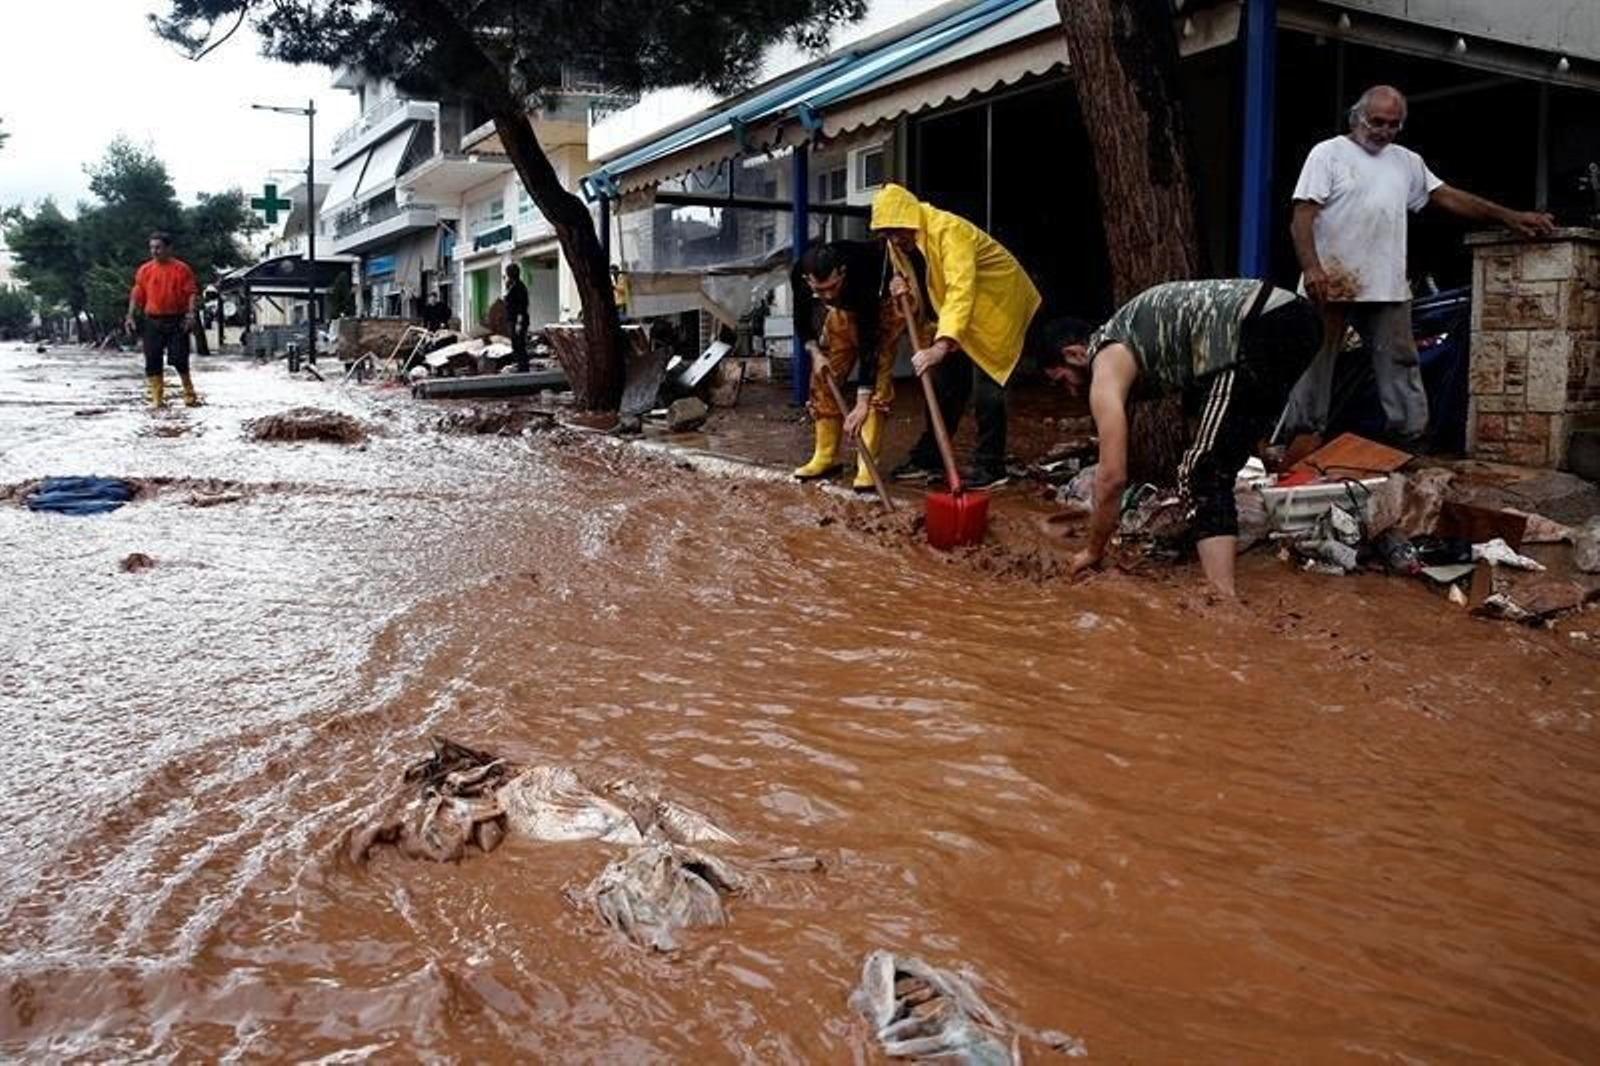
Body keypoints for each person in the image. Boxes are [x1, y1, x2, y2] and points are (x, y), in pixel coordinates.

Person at [1280, 84, 1556, 445]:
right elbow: (1302, 216)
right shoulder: (1328, 154)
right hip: (1331, 281)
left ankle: (1408, 442)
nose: (1384, 131)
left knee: (1400, 364)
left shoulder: (1406, 161)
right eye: (1377, 122)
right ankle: (1300, 440)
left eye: (1393, 124)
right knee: (1315, 365)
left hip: (1386, 285)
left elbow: (1449, 198)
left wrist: (1509, 216)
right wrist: (1312, 267)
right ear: (1357, 117)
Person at [1042, 279, 1324, 599]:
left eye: (1061, 381)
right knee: (1216, 460)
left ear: (1075, 353)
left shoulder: (1104, 358)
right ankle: (1221, 582)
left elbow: (1112, 477)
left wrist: (1093, 550)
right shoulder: (1145, 339)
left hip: (1261, 327)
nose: (1070, 392)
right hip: (1298, 321)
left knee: (1200, 470)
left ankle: (1223, 602)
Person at [869, 184, 1041, 489]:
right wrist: (902, 294)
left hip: (997, 305)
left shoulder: (950, 231)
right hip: (956, 314)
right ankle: (930, 458)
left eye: (897, 230)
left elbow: (961, 289)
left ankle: (992, 467)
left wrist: (941, 346)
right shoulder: (899, 245)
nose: (894, 238)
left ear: (910, 218)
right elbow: (919, 297)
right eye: (887, 233)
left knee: (989, 386)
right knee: (945, 384)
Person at [790, 239, 905, 490]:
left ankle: (867, 465)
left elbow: (869, 342)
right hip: (841, 314)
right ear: (808, 280)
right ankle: (825, 456)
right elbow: (801, 318)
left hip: (879, 310)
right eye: (820, 291)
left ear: (842, 272)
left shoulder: (862, 269)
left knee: (876, 389)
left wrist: (862, 401)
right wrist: (815, 353)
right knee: (822, 379)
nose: (828, 295)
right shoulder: (799, 272)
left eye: (833, 286)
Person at [124, 230, 201, 408]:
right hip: (152, 320)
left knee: (179, 358)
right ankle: (157, 398)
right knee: (152, 359)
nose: (154, 251)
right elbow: (136, 294)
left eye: (158, 247)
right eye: (152, 248)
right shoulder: (144, 270)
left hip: (177, 320)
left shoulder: (182, 269)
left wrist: (190, 314)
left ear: (168, 248)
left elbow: (191, 293)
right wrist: (130, 316)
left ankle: (189, 392)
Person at [504, 263, 530, 372]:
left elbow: (522, 305)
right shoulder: (512, 285)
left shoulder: (519, 287)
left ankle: (523, 366)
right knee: (515, 343)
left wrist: (519, 322)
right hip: (512, 318)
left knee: (519, 343)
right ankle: (520, 364)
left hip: (517, 319)